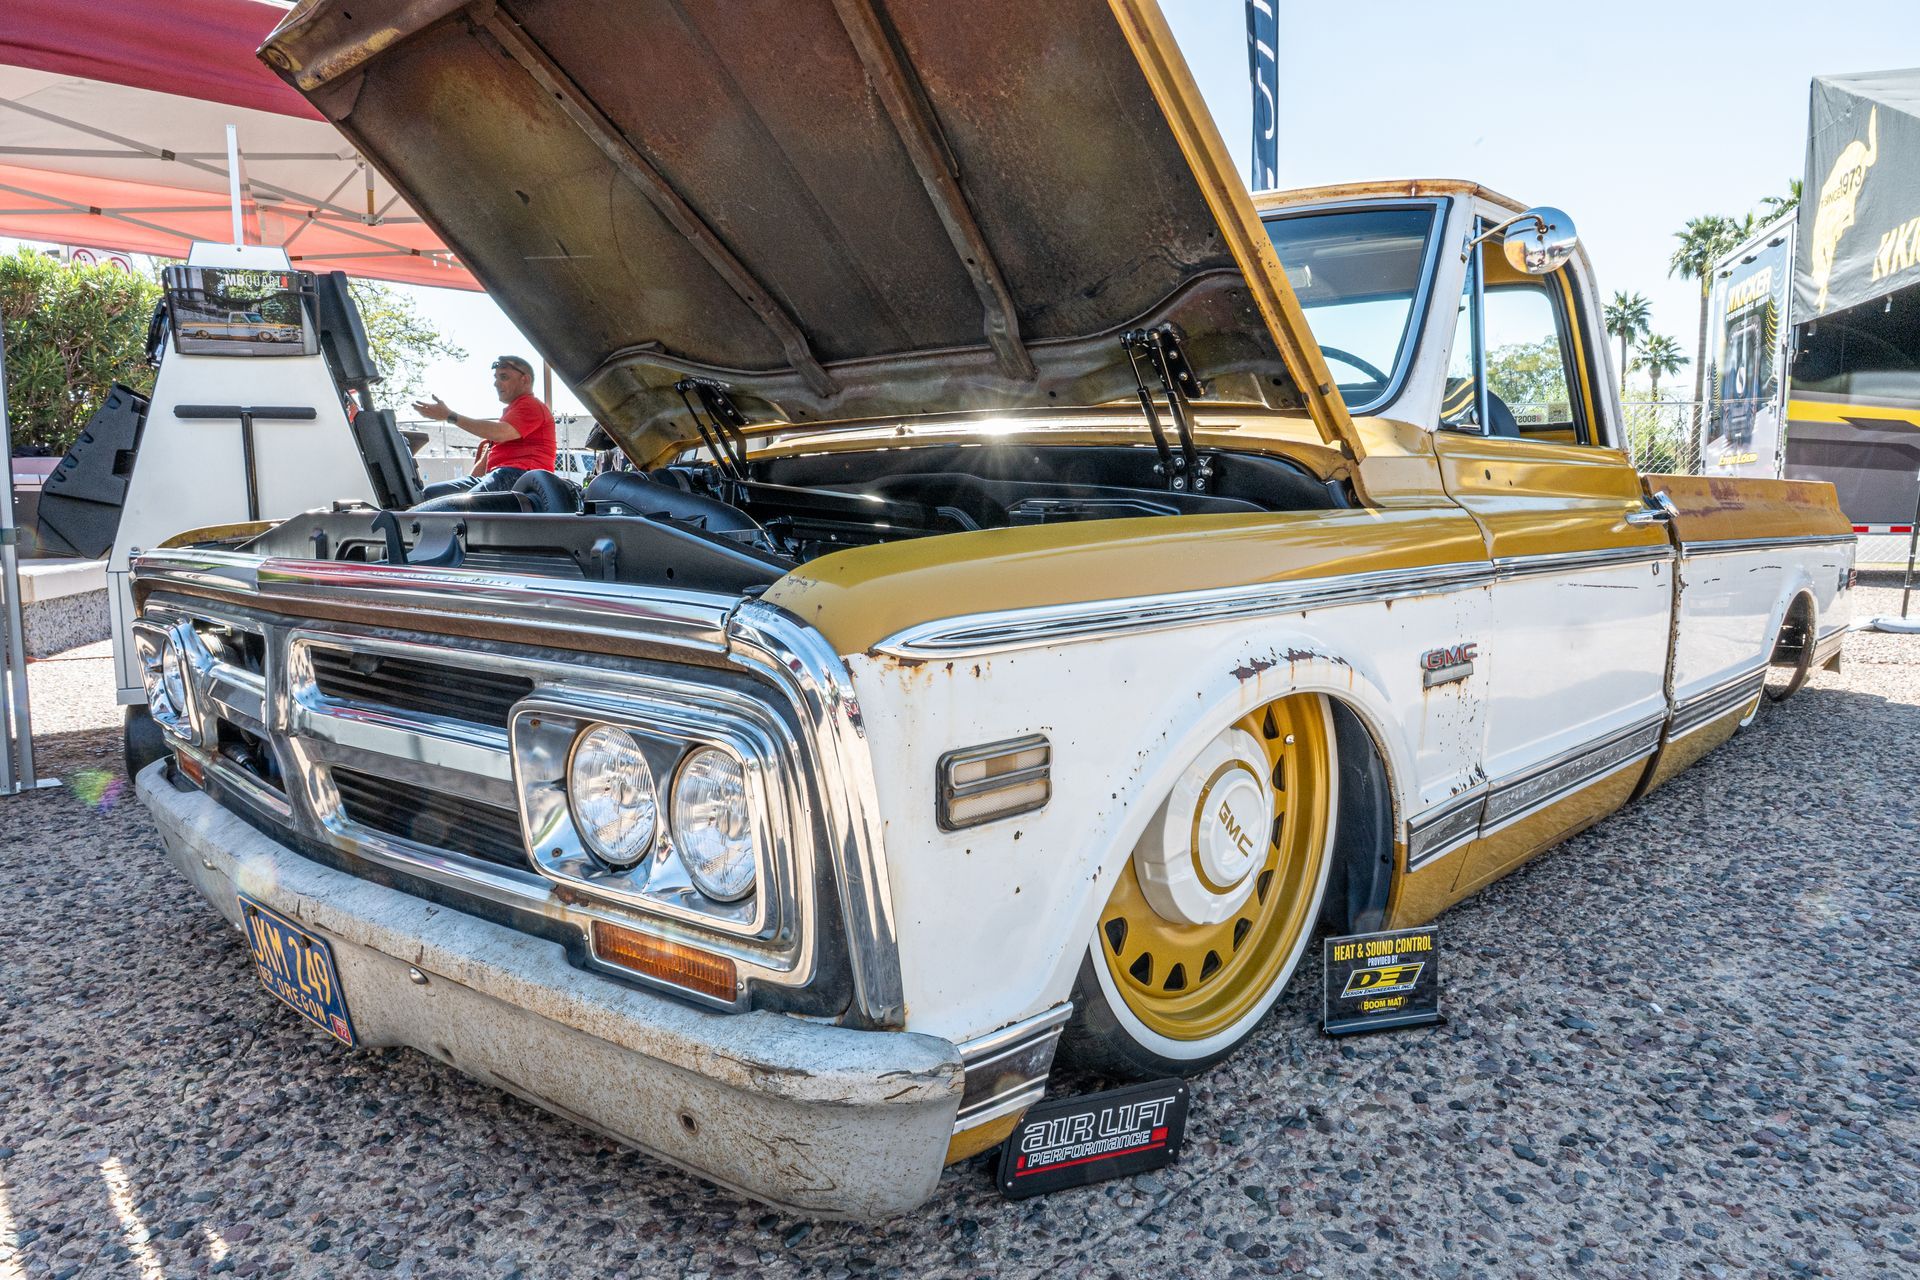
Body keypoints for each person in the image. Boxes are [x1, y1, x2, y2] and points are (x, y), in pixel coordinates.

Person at [411, 355, 557, 500]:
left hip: (522, 476)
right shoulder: (510, 415)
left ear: (525, 379)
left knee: (465, 504)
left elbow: (500, 433)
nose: (496, 383)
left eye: (504, 377)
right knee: (431, 494)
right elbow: (484, 465)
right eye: (496, 377)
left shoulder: (531, 406)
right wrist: (470, 481)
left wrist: (450, 416)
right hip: (497, 474)